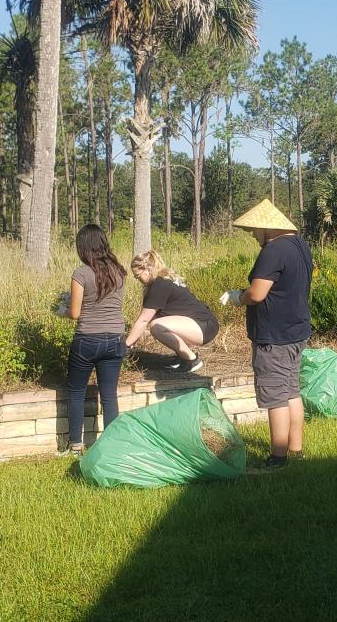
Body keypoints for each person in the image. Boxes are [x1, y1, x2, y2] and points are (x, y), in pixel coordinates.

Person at [220, 199, 313, 470]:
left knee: (275, 396)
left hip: (275, 336)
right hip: (296, 330)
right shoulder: (300, 245)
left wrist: (239, 297)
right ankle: (295, 451)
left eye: (253, 230)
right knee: (291, 390)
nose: (252, 235)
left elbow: (258, 293)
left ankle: (278, 458)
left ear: (266, 228)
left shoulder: (273, 250)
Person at [55, 224, 126, 457]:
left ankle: (75, 446)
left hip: (88, 339)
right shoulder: (119, 271)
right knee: (109, 394)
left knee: (76, 392)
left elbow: (75, 313)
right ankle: (113, 446)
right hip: (115, 339)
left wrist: (60, 309)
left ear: (83, 247)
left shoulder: (81, 273)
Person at [125, 250, 219, 373]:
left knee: (157, 327)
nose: (137, 279)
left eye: (137, 275)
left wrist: (125, 345)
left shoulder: (159, 285)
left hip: (204, 326)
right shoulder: (164, 280)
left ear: (147, 270)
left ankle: (192, 360)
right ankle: (183, 357)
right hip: (205, 323)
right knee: (156, 325)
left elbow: (144, 320)